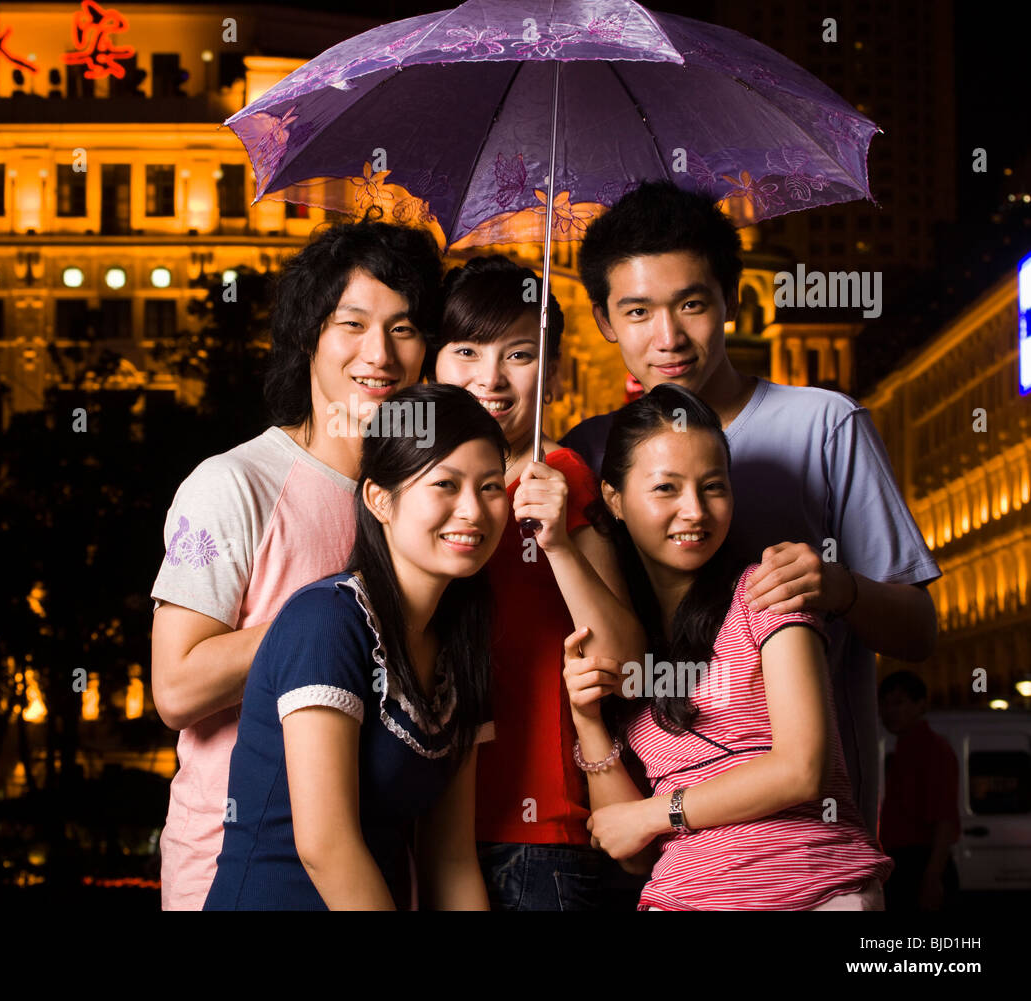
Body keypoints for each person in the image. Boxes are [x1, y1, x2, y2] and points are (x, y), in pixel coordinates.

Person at [562, 180, 940, 833]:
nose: (668, 336)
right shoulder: (587, 454)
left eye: (692, 303)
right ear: (603, 320)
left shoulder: (826, 426)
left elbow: (918, 632)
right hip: (650, 846)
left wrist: (841, 587)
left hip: (810, 846)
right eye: (637, 311)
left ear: (734, 300)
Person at [150, 217, 444, 910]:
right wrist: (331, 621)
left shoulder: (423, 508)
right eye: (353, 323)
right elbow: (176, 687)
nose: (380, 353)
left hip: (369, 873)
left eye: (404, 328)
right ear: (309, 334)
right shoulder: (231, 484)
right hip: (231, 870)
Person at [564, 383, 892, 909]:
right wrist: (588, 721)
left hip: (809, 890)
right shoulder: (626, 642)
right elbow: (632, 852)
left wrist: (655, 813)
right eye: (666, 488)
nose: (695, 510)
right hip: (681, 898)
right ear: (613, 499)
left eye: (713, 487)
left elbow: (801, 769)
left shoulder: (764, 593)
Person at [204, 384, 509, 910]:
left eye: (490, 487)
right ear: (380, 499)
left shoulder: (462, 643)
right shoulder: (327, 620)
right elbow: (326, 846)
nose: (473, 511)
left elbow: (451, 859)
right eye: (445, 484)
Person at [432, 255, 646, 910]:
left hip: (537, 835)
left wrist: (558, 542)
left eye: (520, 353)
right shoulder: (412, 486)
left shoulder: (562, 473)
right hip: (421, 821)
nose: (490, 377)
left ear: (551, 372)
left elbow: (628, 659)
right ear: (434, 365)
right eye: (466, 349)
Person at [878, 670, 960, 911]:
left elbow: (945, 819)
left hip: (920, 863)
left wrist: (931, 878)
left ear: (921, 705)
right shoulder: (904, 750)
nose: (888, 711)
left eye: (898, 703)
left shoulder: (932, 749)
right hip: (907, 863)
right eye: (883, 704)